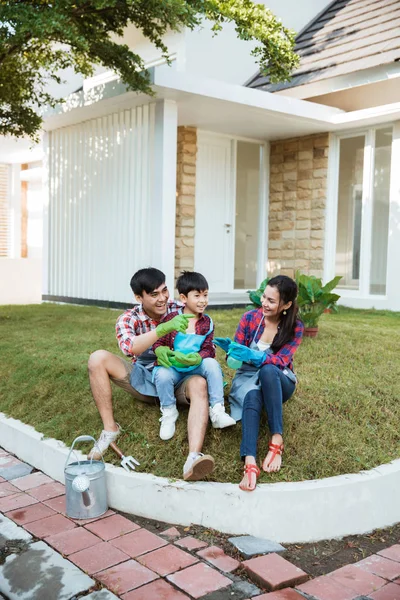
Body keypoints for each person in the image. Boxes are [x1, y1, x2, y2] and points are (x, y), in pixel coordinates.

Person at [87, 267, 215, 481]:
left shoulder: (180, 307)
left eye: (164, 291)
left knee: (200, 384)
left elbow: (206, 336)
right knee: (97, 358)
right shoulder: (129, 319)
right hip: (144, 376)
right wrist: (163, 330)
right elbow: (130, 347)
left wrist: (195, 357)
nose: (162, 298)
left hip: (179, 378)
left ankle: (193, 458)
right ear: (139, 297)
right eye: (154, 294)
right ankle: (110, 430)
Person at [215, 275, 303, 492]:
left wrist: (256, 357)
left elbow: (281, 361)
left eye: (272, 301)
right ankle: (250, 462)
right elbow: (235, 360)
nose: (264, 303)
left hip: (279, 381)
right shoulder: (249, 318)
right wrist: (233, 353)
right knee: (252, 396)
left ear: (286, 304)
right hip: (247, 379)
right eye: (264, 297)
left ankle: (277, 438)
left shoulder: (295, 327)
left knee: (267, 369)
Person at [152, 271, 236, 441]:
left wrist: (199, 357)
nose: (203, 300)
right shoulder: (172, 319)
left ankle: (217, 410)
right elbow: (158, 342)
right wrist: (160, 351)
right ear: (183, 298)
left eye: (205, 295)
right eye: (197, 295)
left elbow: (208, 348)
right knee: (161, 374)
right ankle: (169, 411)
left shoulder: (206, 323)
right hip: (174, 367)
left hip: (195, 367)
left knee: (211, 363)